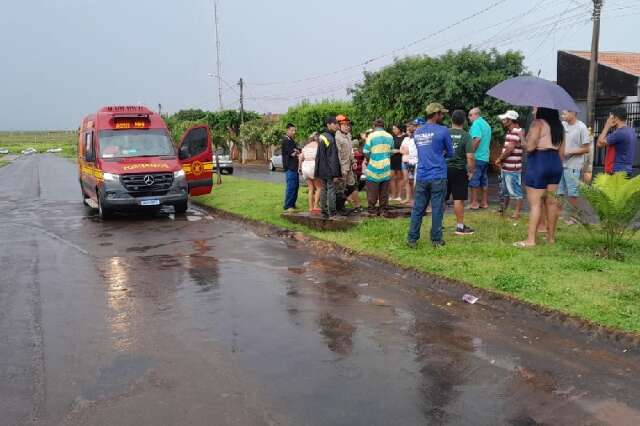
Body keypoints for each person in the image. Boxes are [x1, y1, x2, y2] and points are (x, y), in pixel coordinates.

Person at [515, 107, 564, 248]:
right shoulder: (559, 126)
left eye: (535, 108)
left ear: (542, 110)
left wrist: (522, 137)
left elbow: (530, 147)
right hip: (555, 163)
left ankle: (531, 240)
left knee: (535, 204)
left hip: (539, 162)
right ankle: (551, 238)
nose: (533, 111)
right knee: (552, 203)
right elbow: (562, 152)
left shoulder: (538, 123)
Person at [407, 103, 454, 248]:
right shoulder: (443, 130)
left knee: (418, 209)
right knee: (437, 208)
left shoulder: (417, 132)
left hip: (421, 175)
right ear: (436, 114)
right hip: (438, 175)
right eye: (441, 114)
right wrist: (441, 154)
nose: (443, 116)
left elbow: (423, 150)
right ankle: (436, 240)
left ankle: (412, 239)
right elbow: (451, 153)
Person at [447, 110, 476, 235]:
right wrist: (470, 171)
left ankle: (437, 225)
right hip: (459, 170)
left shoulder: (445, 133)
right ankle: (459, 227)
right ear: (464, 121)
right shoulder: (466, 135)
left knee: (441, 198)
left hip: (444, 169)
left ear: (451, 120)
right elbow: (470, 157)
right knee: (458, 199)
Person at [558, 110, 590, 220]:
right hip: (560, 163)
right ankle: (559, 215)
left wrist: (569, 152)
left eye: (565, 114)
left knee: (573, 193)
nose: (562, 116)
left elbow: (586, 149)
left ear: (573, 113)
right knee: (559, 192)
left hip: (573, 165)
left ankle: (574, 218)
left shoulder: (581, 127)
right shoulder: (562, 125)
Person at [495, 110, 525, 220]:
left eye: (505, 119)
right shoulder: (510, 132)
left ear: (511, 120)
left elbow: (509, 149)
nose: (503, 121)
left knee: (515, 191)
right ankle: (503, 210)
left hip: (513, 168)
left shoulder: (516, 131)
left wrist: (499, 159)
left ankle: (517, 213)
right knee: (505, 191)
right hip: (507, 167)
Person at [363, 119, 394, 216]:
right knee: (384, 192)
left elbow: (366, 151)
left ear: (374, 126)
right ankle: (383, 210)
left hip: (373, 168)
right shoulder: (390, 136)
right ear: (383, 126)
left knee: (372, 191)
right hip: (386, 167)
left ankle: (372, 211)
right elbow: (391, 151)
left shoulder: (371, 136)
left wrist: (371, 160)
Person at [597, 107, 636, 178]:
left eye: (611, 117)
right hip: (627, 169)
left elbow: (599, 142)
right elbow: (600, 144)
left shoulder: (619, 133)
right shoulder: (631, 131)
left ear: (616, 118)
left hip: (617, 170)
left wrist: (607, 126)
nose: (609, 120)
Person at [315, 117, 342, 219]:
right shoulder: (330, 139)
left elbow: (318, 156)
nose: (337, 126)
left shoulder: (322, 137)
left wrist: (317, 171)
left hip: (322, 169)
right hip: (329, 169)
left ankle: (324, 211)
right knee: (331, 189)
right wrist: (336, 173)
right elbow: (333, 158)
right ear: (329, 124)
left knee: (323, 189)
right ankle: (332, 212)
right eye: (335, 124)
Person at [468, 107, 492, 210]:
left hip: (477, 157)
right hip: (485, 157)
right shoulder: (486, 124)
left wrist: (471, 152)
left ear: (476, 115)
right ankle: (484, 202)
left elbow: (477, 139)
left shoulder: (476, 124)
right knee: (484, 180)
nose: (469, 118)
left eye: (470, 115)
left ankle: (474, 203)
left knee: (474, 180)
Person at [335, 114, 357, 215]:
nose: (347, 127)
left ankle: (341, 204)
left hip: (349, 165)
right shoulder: (337, 137)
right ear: (339, 126)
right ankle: (339, 208)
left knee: (351, 185)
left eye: (348, 125)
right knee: (340, 188)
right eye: (344, 125)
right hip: (342, 166)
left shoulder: (348, 135)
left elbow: (350, 150)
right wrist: (339, 168)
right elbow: (337, 154)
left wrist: (353, 161)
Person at [299, 132, 321, 214]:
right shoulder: (318, 146)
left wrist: (300, 168)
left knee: (311, 188)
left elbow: (301, 157)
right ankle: (315, 206)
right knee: (319, 187)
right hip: (313, 166)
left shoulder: (305, 146)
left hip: (305, 166)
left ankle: (310, 207)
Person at [281, 123, 300, 212]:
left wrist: (296, 150)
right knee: (291, 186)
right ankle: (288, 206)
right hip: (290, 167)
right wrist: (296, 151)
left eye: (294, 130)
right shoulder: (286, 140)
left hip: (295, 167)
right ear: (287, 130)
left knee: (296, 186)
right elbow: (293, 153)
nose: (294, 132)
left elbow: (298, 150)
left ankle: (292, 204)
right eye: (292, 130)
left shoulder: (291, 140)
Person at [400, 120, 418, 206]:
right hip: (405, 161)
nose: (407, 129)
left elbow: (411, 151)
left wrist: (407, 151)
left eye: (409, 127)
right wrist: (406, 151)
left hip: (414, 162)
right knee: (407, 180)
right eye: (407, 128)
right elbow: (401, 150)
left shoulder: (417, 138)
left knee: (414, 181)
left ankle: (415, 199)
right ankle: (408, 198)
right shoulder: (405, 139)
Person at [390, 124, 406, 201]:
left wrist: (398, 151)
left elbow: (407, 149)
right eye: (393, 129)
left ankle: (399, 195)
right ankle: (393, 195)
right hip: (392, 158)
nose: (393, 131)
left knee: (400, 177)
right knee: (392, 177)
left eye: (395, 129)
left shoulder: (405, 137)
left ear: (399, 129)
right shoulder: (392, 137)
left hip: (400, 158)